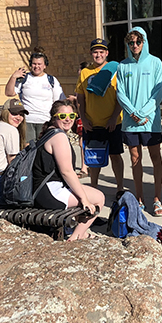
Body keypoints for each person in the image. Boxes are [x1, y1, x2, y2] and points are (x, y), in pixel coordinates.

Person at [33, 99, 104, 240]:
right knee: (98, 199)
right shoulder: (59, 137)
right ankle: (75, 238)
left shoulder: (50, 132)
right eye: (62, 116)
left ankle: (80, 234)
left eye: (71, 116)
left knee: (87, 192)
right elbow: (67, 172)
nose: (67, 119)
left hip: (42, 190)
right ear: (54, 117)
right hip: (49, 193)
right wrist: (84, 200)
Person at [116, 27, 162, 216]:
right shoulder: (123, 66)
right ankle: (139, 198)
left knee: (156, 158)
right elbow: (120, 92)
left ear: (144, 42)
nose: (134, 45)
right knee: (135, 159)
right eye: (131, 42)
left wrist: (144, 113)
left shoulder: (155, 63)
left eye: (138, 42)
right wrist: (132, 112)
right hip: (130, 121)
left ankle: (157, 199)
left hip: (150, 121)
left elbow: (158, 92)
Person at [75, 38, 124, 192]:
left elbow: (120, 98)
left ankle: (120, 188)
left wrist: (113, 118)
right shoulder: (85, 72)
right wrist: (83, 118)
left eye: (101, 52)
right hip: (92, 122)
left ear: (106, 53)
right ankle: (94, 187)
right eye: (95, 52)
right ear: (91, 53)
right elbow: (80, 97)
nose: (98, 55)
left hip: (112, 123)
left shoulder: (115, 71)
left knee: (115, 155)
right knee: (93, 158)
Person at [5, 46, 65, 142]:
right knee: (28, 150)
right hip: (27, 120)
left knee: (44, 149)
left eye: (39, 64)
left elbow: (59, 101)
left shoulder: (51, 80)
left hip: (45, 120)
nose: (36, 66)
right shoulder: (24, 79)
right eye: (34, 64)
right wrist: (13, 77)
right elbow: (9, 93)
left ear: (45, 65)